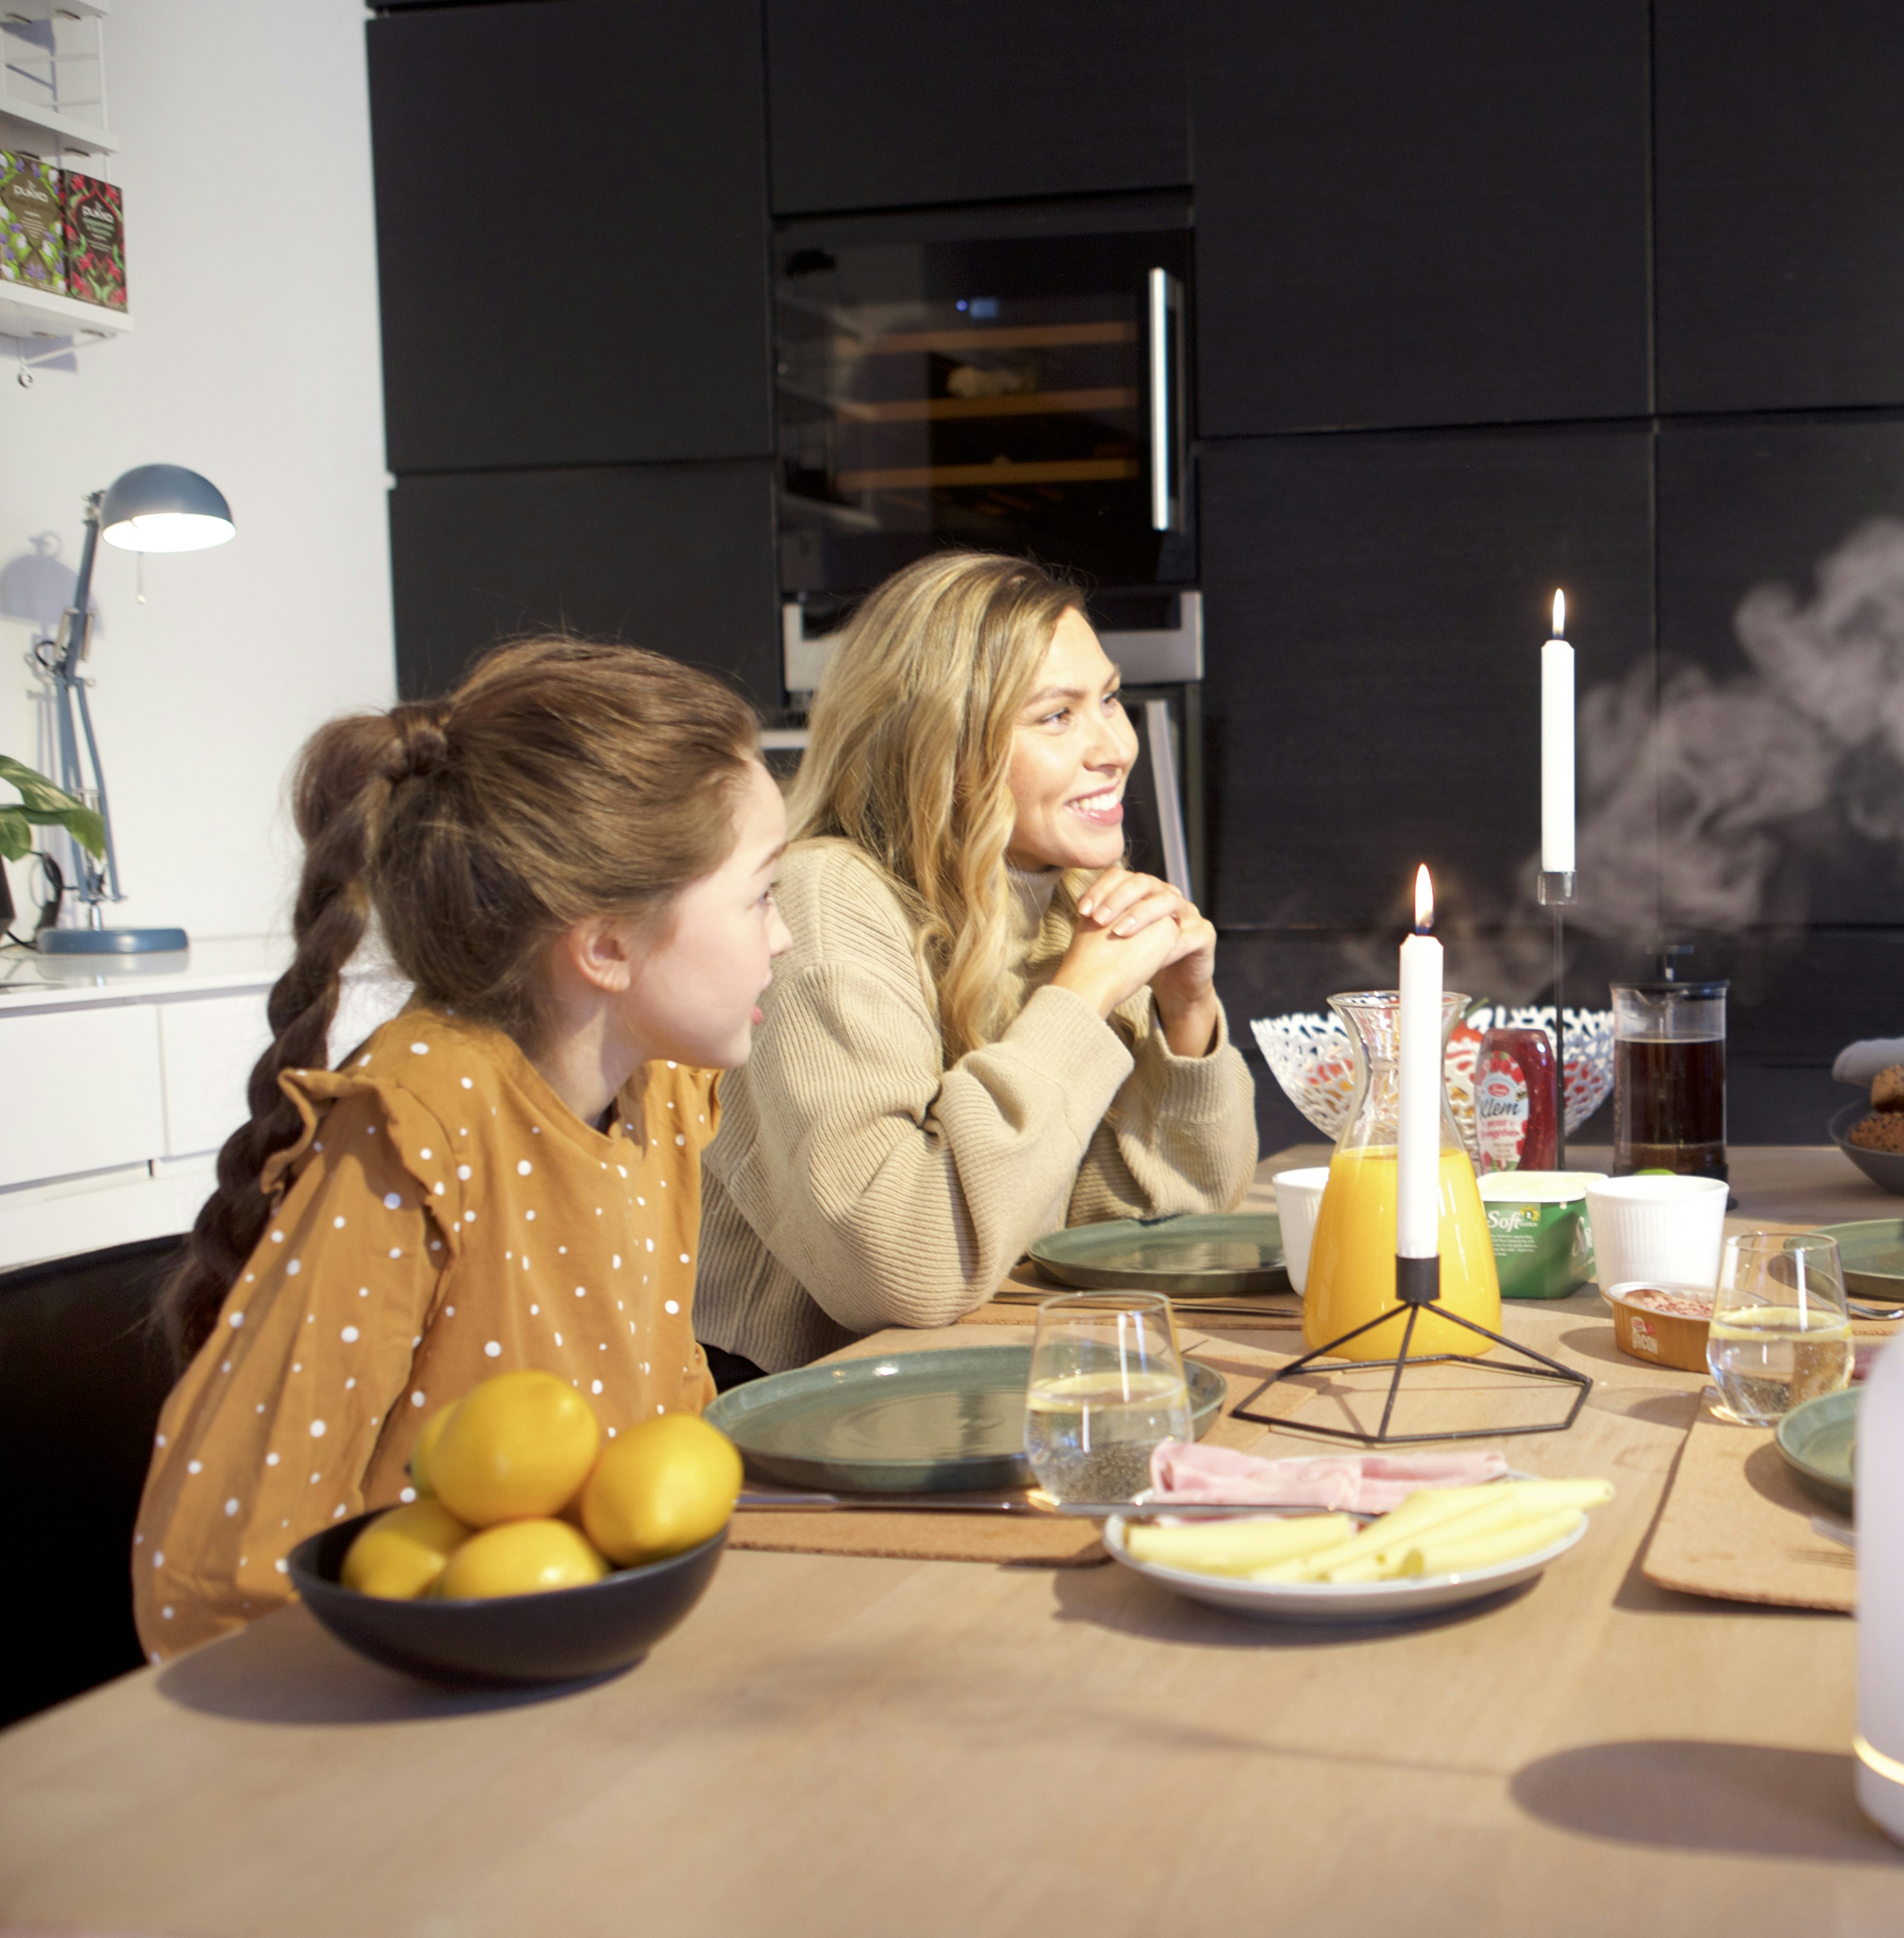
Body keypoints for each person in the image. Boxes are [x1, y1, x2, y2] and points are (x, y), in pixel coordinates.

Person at [137, 640, 790, 1658]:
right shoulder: (415, 1127)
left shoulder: (659, 1090)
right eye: (761, 896)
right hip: (413, 1709)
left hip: (596, 1669)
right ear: (607, 946)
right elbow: (213, 1578)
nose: (782, 937)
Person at [697, 552, 1257, 1378]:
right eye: (1056, 716)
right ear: (943, 745)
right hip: (794, 1410)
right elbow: (904, 1269)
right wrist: (1078, 1001)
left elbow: (1149, 1228)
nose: (1115, 746)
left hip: (969, 1378)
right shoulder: (828, 899)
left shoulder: (1066, 896)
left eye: (1108, 699)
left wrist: (1187, 1018)